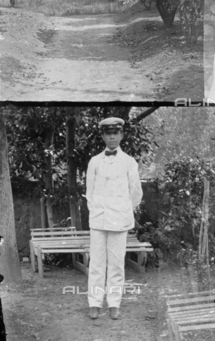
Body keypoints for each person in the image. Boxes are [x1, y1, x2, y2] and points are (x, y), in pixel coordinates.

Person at [85, 117, 143, 320]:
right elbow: (89, 193)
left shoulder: (129, 162)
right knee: (97, 263)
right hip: (99, 220)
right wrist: (98, 211)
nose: (111, 137)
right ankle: (94, 302)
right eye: (108, 133)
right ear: (102, 136)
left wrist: (122, 209)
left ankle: (114, 303)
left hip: (119, 220)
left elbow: (136, 193)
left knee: (117, 264)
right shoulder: (94, 162)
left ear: (121, 135)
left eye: (115, 133)